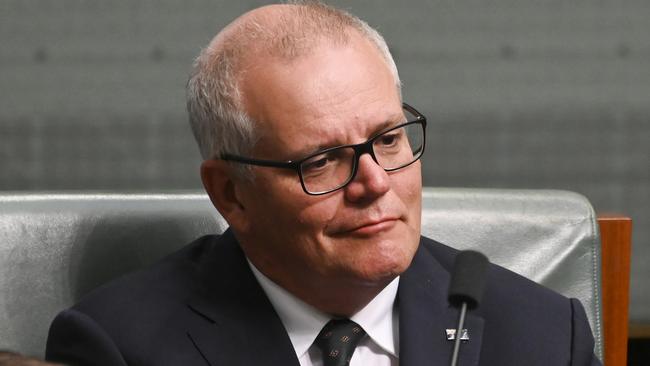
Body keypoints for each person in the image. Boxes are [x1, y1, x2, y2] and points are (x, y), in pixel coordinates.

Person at [46, 2, 601, 365]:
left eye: (388, 139)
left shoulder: (546, 337)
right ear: (231, 194)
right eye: (323, 161)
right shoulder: (116, 347)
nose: (375, 183)